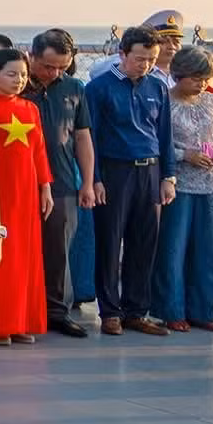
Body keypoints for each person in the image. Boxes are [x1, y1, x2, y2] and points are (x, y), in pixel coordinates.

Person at [85, 26, 176, 336]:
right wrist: (94, 178)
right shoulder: (99, 88)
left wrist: (168, 176)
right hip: (115, 169)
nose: (146, 65)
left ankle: (136, 310)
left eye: (151, 59)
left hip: (149, 170)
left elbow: (165, 135)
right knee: (111, 242)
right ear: (123, 54)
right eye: (139, 58)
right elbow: (91, 137)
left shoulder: (158, 87)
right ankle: (110, 310)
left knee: (144, 242)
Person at [0, 47, 51, 346]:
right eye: (11, 74)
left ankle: (21, 321)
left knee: (24, 256)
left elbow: (39, 150)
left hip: (26, 190)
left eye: (23, 75)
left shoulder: (30, 109)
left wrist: (46, 186)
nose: (19, 80)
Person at [24, 29, 96, 338]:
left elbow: (82, 136)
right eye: (48, 66)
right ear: (32, 56)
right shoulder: (15, 84)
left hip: (63, 180)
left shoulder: (74, 88)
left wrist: (88, 182)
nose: (54, 73)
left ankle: (57, 310)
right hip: (21, 182)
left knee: (59, 251)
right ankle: (21, 310)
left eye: (61, 67)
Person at [156, 47, 213, 333]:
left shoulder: (211, 101)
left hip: (210, 185)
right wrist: (183, 155)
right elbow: (158, 141)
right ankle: (171, 309)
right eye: (196, 78)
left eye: (206, 78)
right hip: (180, 185)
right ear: (179, 75)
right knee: (174, 249)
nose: (201, 84)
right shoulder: (166, 102)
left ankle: (202, 310)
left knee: (208, 250)